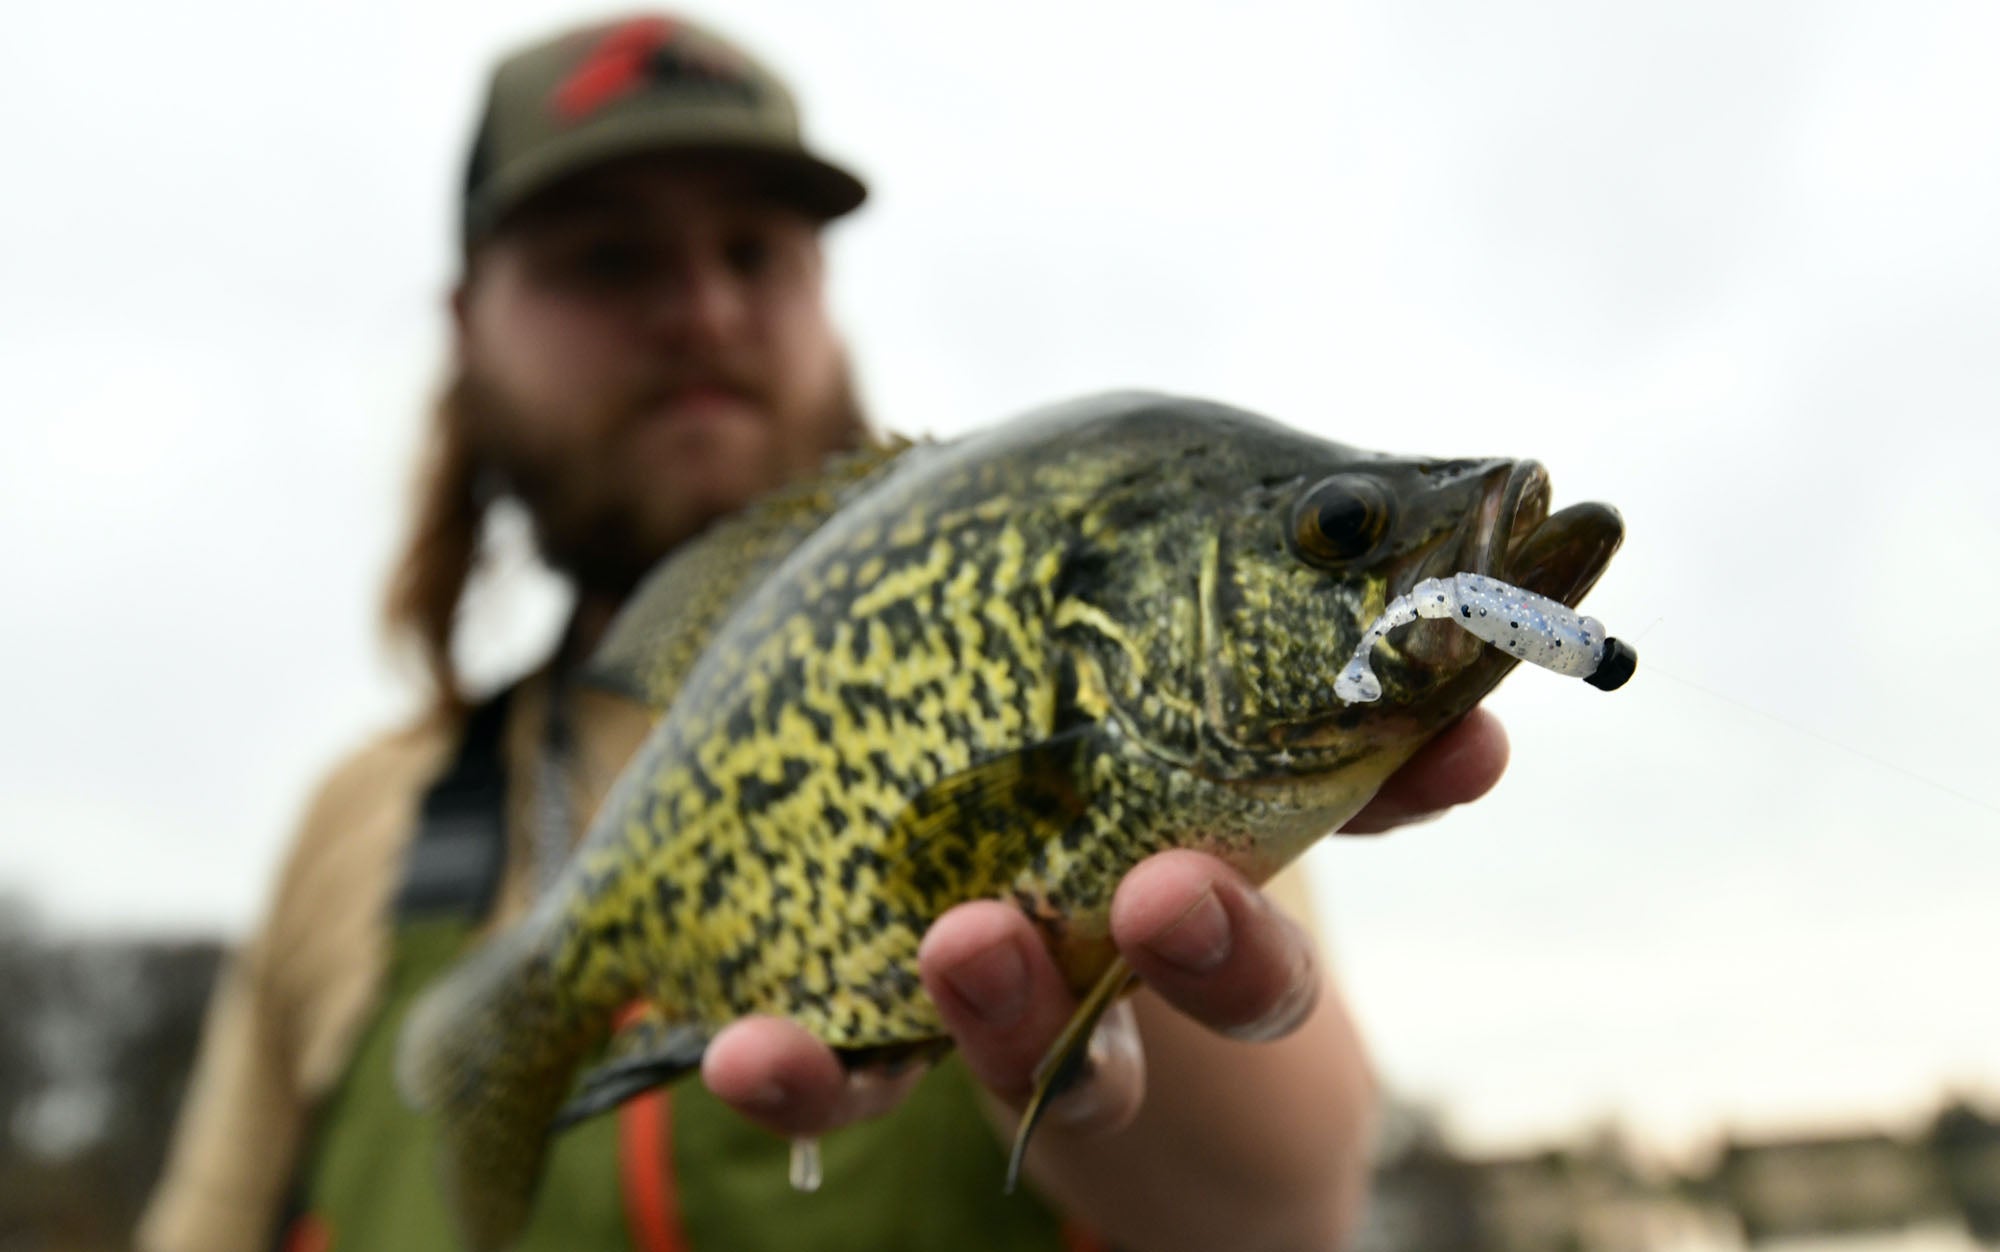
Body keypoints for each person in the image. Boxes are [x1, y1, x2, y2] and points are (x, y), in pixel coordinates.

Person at [139, 14, 1510, 1252]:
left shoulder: (1175, 713)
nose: (704, 310)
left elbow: (1287, 1216)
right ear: (466, 325)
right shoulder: (360, 825)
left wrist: (1107, 1002)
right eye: (609, 260)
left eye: (756, 252)